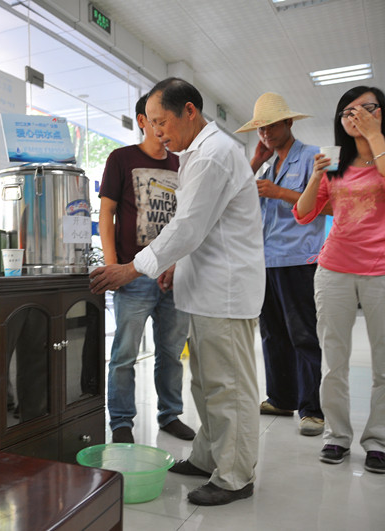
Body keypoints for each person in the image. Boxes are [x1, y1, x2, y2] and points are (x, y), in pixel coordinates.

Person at [90, 77, 265, 506]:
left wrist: (133, 268)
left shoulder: (214, 155)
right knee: (205, 384)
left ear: (189, 111)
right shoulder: (197, 155)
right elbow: (200, 228)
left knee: (228, 388)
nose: (157, 131)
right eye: (150, 123)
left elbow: (187, 227)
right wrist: (173, 265)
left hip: (223, 292)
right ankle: (209, 457)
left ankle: (235, 476)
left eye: (162, 121)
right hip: (203, 289)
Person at [294, 85, 385, 473]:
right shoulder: (334, 161)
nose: (355, 115)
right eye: (348, 111)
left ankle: (378, 440)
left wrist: (375, 136)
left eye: (366, 108)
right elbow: (303, 214)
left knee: (383, 364)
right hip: (333, 268)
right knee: (334, 360)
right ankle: (336, 436)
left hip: (381, 269)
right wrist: (316, 176)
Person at [98, 92, 193, 444]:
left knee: (171, 353)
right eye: (157, 120)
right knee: (125, 354)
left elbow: (188, 222)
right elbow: (106, 213)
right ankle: (122, 421)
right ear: (143, 121)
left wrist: (178, 263)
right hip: (132, 274)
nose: (164, 127)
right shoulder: (121, 158)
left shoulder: (181, 164)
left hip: (173, 276)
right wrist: (113, 266)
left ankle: (170, 415)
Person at [235, 93, 325, 436]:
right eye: (260, 129)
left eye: (271, 126)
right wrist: (256, 160)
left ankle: (312, 409)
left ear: (288, 122)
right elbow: (235, 198)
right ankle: (282, 398)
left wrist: (279, 192)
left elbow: (324, 205)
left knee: (303, 334)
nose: (266, 134)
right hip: (266, 261)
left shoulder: (312, 157)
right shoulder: (268, 166)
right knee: (272, 334)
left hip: (298, 259)